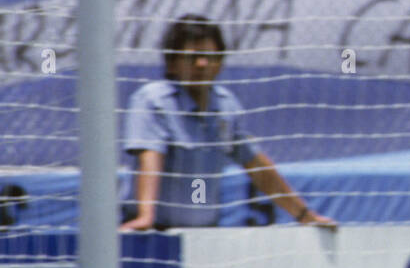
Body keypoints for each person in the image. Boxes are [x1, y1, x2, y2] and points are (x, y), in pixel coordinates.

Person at [121, 15, 336, 231]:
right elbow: (150, 158)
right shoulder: (152, 100)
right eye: (192, 57)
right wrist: (145, 217)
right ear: (172, 64)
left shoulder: (226, 105)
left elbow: (255, 164)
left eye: (209, 56)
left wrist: (304, 215)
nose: (202, 64)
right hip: (154, 234)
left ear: (221, 62)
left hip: (203, 236)